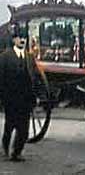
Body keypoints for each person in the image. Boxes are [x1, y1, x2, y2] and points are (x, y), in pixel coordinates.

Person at [0, 23, 40, 162]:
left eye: (24, 38)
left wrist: (37, 96)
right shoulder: (5, 57)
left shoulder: (29, 58)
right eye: (19, 38)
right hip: (10, 98)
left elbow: (35, 78)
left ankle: (16, 152)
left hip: (26, 98)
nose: (22, 40)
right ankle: (5, 145)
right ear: (13, 40)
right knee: (10, 126)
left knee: (24, 130)